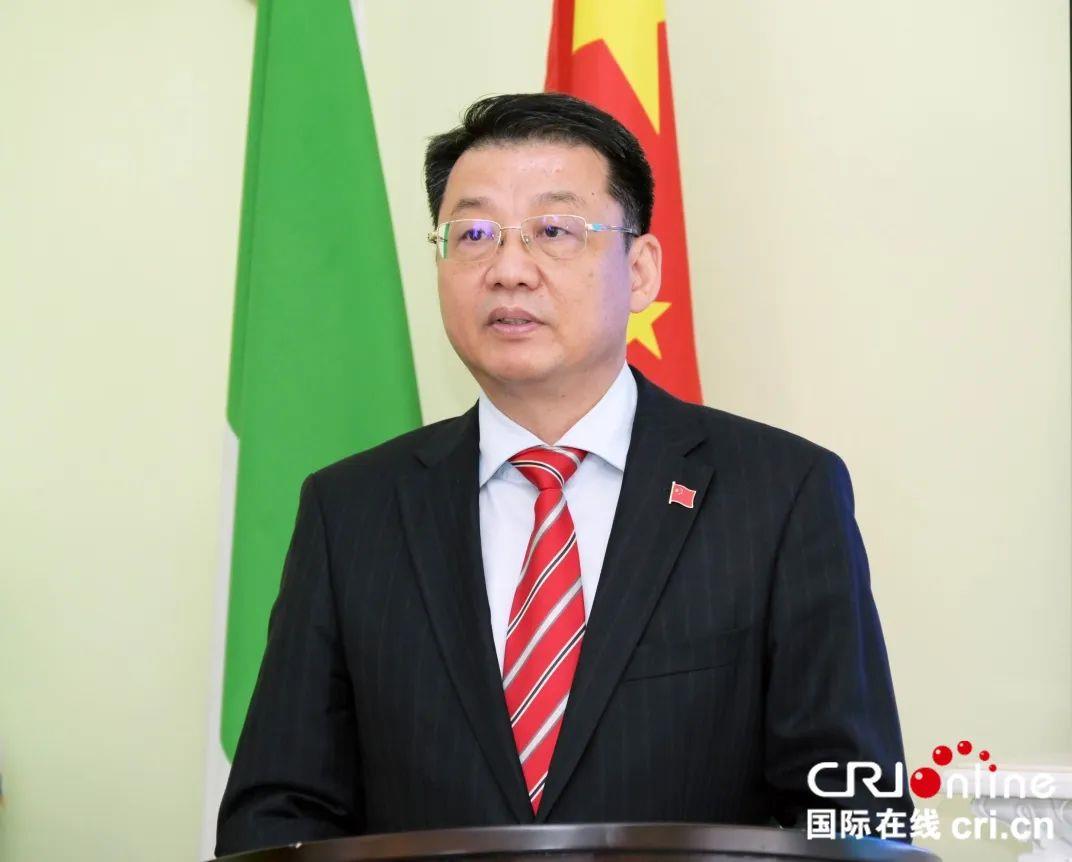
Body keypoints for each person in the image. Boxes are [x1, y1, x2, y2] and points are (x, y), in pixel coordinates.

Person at [215, 93, 911, 856]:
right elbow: (278, 812)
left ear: (639, 270)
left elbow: (853, 809)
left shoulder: (780, 494)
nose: (509, 270)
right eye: (473, 234)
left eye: (553, 231)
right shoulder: (351, 510)